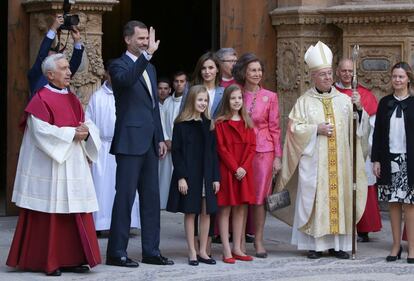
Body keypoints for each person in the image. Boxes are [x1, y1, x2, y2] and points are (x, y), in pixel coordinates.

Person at [6, 54, 101, 276]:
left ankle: (74, 258)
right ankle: (50, 260)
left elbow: (85, 121)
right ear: (50, 74)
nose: (69, 72)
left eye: (68, 68)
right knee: (51, 213)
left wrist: (87, 132)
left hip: (73, 164)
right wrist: (71, 134)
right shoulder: (40, 99)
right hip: (51, 166)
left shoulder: (72, 97)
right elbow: (40, 132)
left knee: (74, 210)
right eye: (64, 68)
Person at [273, 41, 367, 260]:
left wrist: (359, 110)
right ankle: (314, 245)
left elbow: (358, 131)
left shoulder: (344, 101)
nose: (326, 77)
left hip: (341, 165)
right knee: (315, 201)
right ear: (313, 77)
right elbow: (294, 129)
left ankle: (337, 245)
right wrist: (316, 129)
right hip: (315, 164)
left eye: (328, 73)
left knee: (339, 200)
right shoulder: (304, 102)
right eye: (322, 74)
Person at [106, 20, 173, 267]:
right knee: (124, 198)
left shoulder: (150, 68)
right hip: (129, 141)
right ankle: (116, 252)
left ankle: (151, 251)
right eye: (141, 38)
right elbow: (126, 81)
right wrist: (146, 56)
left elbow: (153, 106)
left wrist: (160, 137)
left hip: (149, 142)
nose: (146, 42)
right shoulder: (118, 65)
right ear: (127, 39)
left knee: (151, 199)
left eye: (147, 38)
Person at [232, 52, 282, 258]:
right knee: (241, 196)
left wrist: (278, 156)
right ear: (243, 72)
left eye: (259, 70)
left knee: (260, 198)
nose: (257, 73)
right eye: (252, 70)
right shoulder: (236, 94)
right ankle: (240, 241)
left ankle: (259, 241)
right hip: (241, 151)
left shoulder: (270, 96)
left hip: (264, 151)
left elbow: (275, 128)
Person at [166, 85, 220, 266]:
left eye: (205, 100)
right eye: (200, 100)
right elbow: (177, 152)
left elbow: (213, 154)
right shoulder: (181, 124)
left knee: (206, 213)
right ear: (191, 101)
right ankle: (192, 251)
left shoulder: (209, 124)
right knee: (191, 212)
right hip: (190, 175)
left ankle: (203, 250)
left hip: (206, 175)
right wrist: (181, 176)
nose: (203, 103)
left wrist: (215, 178)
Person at [86, 60, 141, 233]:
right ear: (106, 74)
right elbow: (89, 121)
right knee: (103, 186)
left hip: (125, 145)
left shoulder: (128, 93)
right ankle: (102, 224)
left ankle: (127, 223)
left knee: (126, 185)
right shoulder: (97, 97)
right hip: (103, 147)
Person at [335, 58, 382, 242]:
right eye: (344, 70)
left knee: (363, 184)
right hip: (339, 146)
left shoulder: (365, 94)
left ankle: (363, 228)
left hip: (361, 147)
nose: (347, 74)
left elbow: (373, 124)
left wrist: (361, 108)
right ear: (337, 71)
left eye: (350, 71)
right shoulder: (330, 92)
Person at [372, 62, 414, 263]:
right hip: (389, 159)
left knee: (410, 205)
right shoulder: (385, 103)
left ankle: (412, 248)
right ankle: (395, 245)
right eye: (394, 76)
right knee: (393, 204)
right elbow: (378, 133)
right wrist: (376, 160)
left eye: (401, 77)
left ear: (408, 79)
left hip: (409, 160)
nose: (397, 80)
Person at [214, 84, 256, 263]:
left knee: (241, 209)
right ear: (227, 101)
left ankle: (237, 247)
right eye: (233, 98)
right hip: (228, 171)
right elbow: (221, 148)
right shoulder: (220, 123)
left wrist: (244, 168)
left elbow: (252, 147)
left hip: (244, 172)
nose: (237, 101)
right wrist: (235, 168)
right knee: (225, 210)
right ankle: (226, 249)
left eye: (239, 98)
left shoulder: (248, 122)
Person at [28, 14, 84, 97]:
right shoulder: (37, 74)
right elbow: (42, 53)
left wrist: (77, 40)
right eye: (51, 58)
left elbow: (75, 62)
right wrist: (53, 29)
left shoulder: (62, 73)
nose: (55, 59)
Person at [159, 72, 187, 209]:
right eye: (176, 81)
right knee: (165, 178)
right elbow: (162, 121)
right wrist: (165, 138)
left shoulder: (188, 101)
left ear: (186, 83)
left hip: (182, 147)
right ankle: (165, 202)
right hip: (168, 144)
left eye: (182, 81)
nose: (179, 84)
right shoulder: (168, 101)